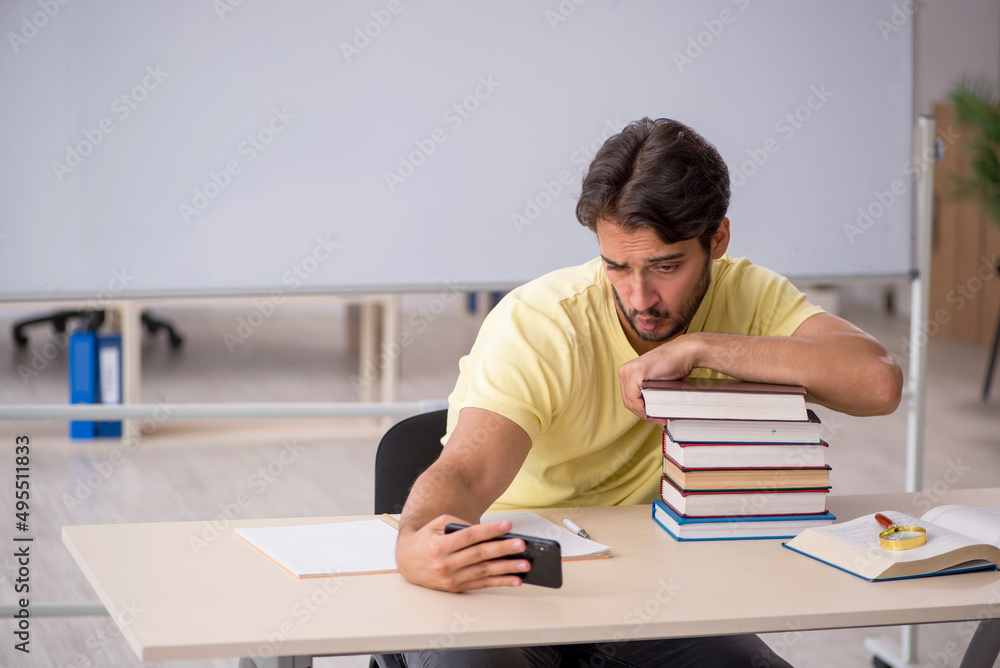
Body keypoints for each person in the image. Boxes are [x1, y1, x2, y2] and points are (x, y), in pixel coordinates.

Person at [394, 117, 903, 667]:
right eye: (617, 266)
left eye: (665, 267)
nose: (639, 297)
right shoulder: (541, 324)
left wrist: (707, 346)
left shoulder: (750, 296)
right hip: (518, 584)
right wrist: (416, 541)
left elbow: (877, 382)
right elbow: (464, 472)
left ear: (718, 241)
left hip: (653, 597)